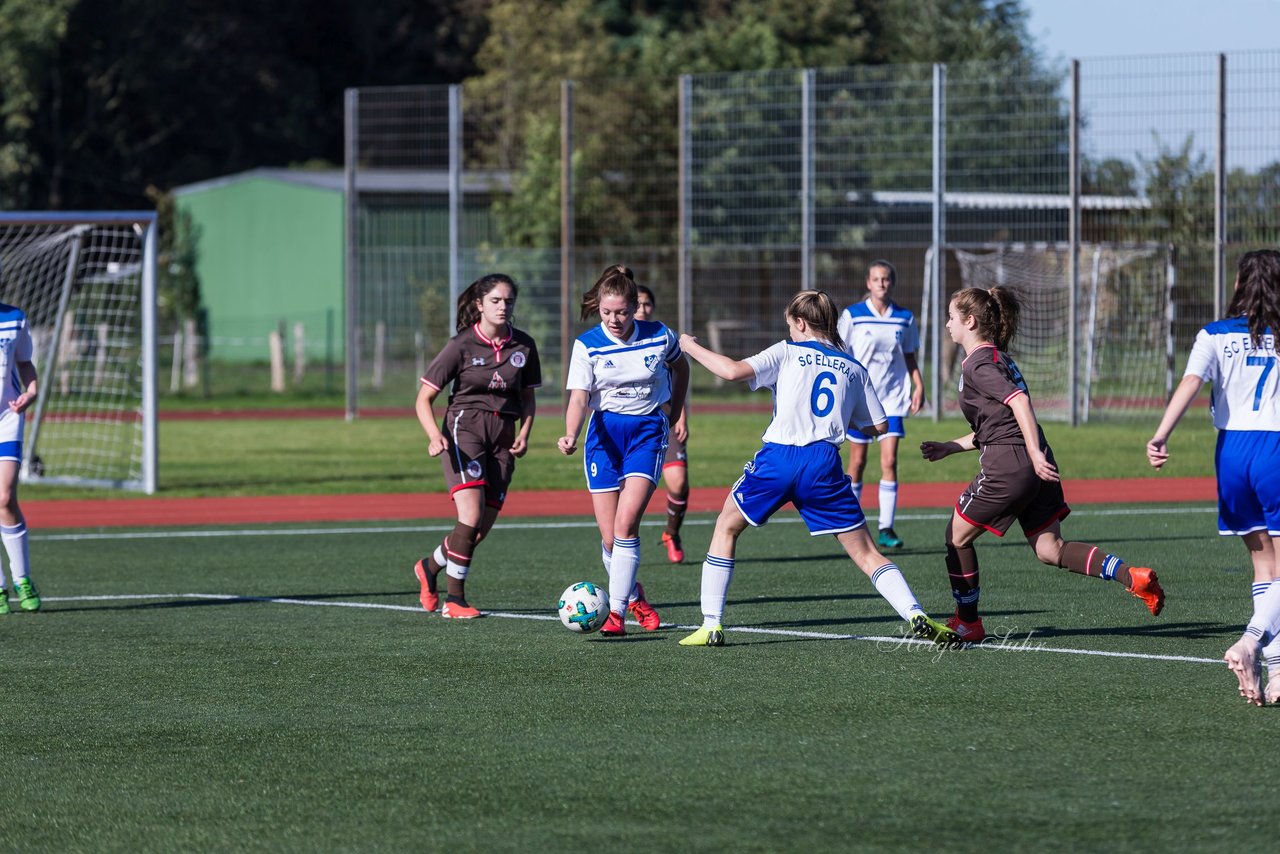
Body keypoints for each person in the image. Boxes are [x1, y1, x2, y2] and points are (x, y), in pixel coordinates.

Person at [675, 290, 959, 648]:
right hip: (824, 464)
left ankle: (711, 625)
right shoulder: (853, 367)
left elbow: (731, 371)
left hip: (779, 458)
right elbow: (880, 425)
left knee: (726, 527)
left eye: (790, 324)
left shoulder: (787, 351)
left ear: (801, 323)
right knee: (868, 554)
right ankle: (915, 613)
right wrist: (845, 418)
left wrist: (690, 346)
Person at [920, 287, 1165, 644]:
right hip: (1033, 462)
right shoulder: (1000, 359)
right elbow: (999, 424)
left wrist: (1032, 455)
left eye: (951, 317)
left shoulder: (977, 363)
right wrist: (950, 447)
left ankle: (967, 621)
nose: (947, 325)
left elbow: (1018, 403)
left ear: (969, 322)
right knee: (1051, 550)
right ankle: (1133, 577)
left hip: (1013, 465)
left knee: (956, 537)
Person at [1147, 249, 1280, 704]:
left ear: (1241, 283)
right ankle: (1251, 640)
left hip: (1230, 453)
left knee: (1267, 566)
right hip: (1276, 448)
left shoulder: (1214, 334)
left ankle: (1278, 672)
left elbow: (1189, 383)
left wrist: (1161, 435)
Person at [558, 265, 690, 636]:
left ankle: (615, 613)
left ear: (635, 307)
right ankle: (633, 596)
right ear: (598, 308)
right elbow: (580, 396)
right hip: (603, 437)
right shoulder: (587, 344)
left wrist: (675, 412)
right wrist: (570, 433)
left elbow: (682, 369)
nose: (613, 320)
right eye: (606, 312)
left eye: (621, 312)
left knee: (626, 524)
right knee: (610, 538)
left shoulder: (660, 335)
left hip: (647, 432)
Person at [412, 274, 541, 618]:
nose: (503, 307)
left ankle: (428, 567)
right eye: (496, 301)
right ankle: (455, 600)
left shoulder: (524, 346)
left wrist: (525, 433)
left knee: (477, 530)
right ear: (479, 305)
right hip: (464, 429)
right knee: (468, 516)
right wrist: (433, 435)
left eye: (509, 301)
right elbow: (424, 399)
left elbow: (527, 399)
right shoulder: (461, 345)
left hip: (504, 435)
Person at [837, 261, 924, 549]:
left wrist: (919, 384)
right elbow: (840, 353)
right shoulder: (853, 315)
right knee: (857, 463)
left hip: (893, 399)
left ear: (892, 282)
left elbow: (910, 355)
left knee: (889, 461)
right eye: (876, 279)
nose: (881, 284)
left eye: (886, 279)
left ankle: (886, 527)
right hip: (860, 400)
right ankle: (851, 525)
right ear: (868, 283)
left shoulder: (905, 318)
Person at [635, 284, 690, 563]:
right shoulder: (618, 341)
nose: (642, 309)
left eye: (647, 304)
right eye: (637, 304)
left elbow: (681, 378)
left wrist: (681, 416)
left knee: (678, 483)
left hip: (666, 419)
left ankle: (672, 532)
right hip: (633, 424)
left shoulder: (661, 338)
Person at [0, 301, 40, 615]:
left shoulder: (14, 318)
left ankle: (22, 579)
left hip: (7, 416)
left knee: (4, 496)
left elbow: (24, 363)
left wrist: (33, 390)